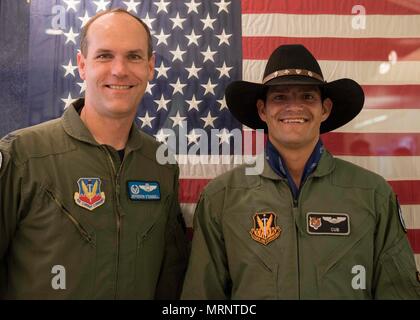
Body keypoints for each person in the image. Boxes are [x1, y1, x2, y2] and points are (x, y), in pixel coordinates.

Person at [181, 44, 420, 299]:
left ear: (324, 109)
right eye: (280, 97)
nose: (294, 107)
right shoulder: (222, 197)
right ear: (263, 110)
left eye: (307, 97)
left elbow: (398, 292)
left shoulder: (373, 194)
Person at [0, 9, 189, 299]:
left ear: (150, 67)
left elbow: (170, 280)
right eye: (104, 56)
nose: (119, 70)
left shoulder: (161, 165)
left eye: (134, 56)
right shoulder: (22, 156)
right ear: (82, 65)